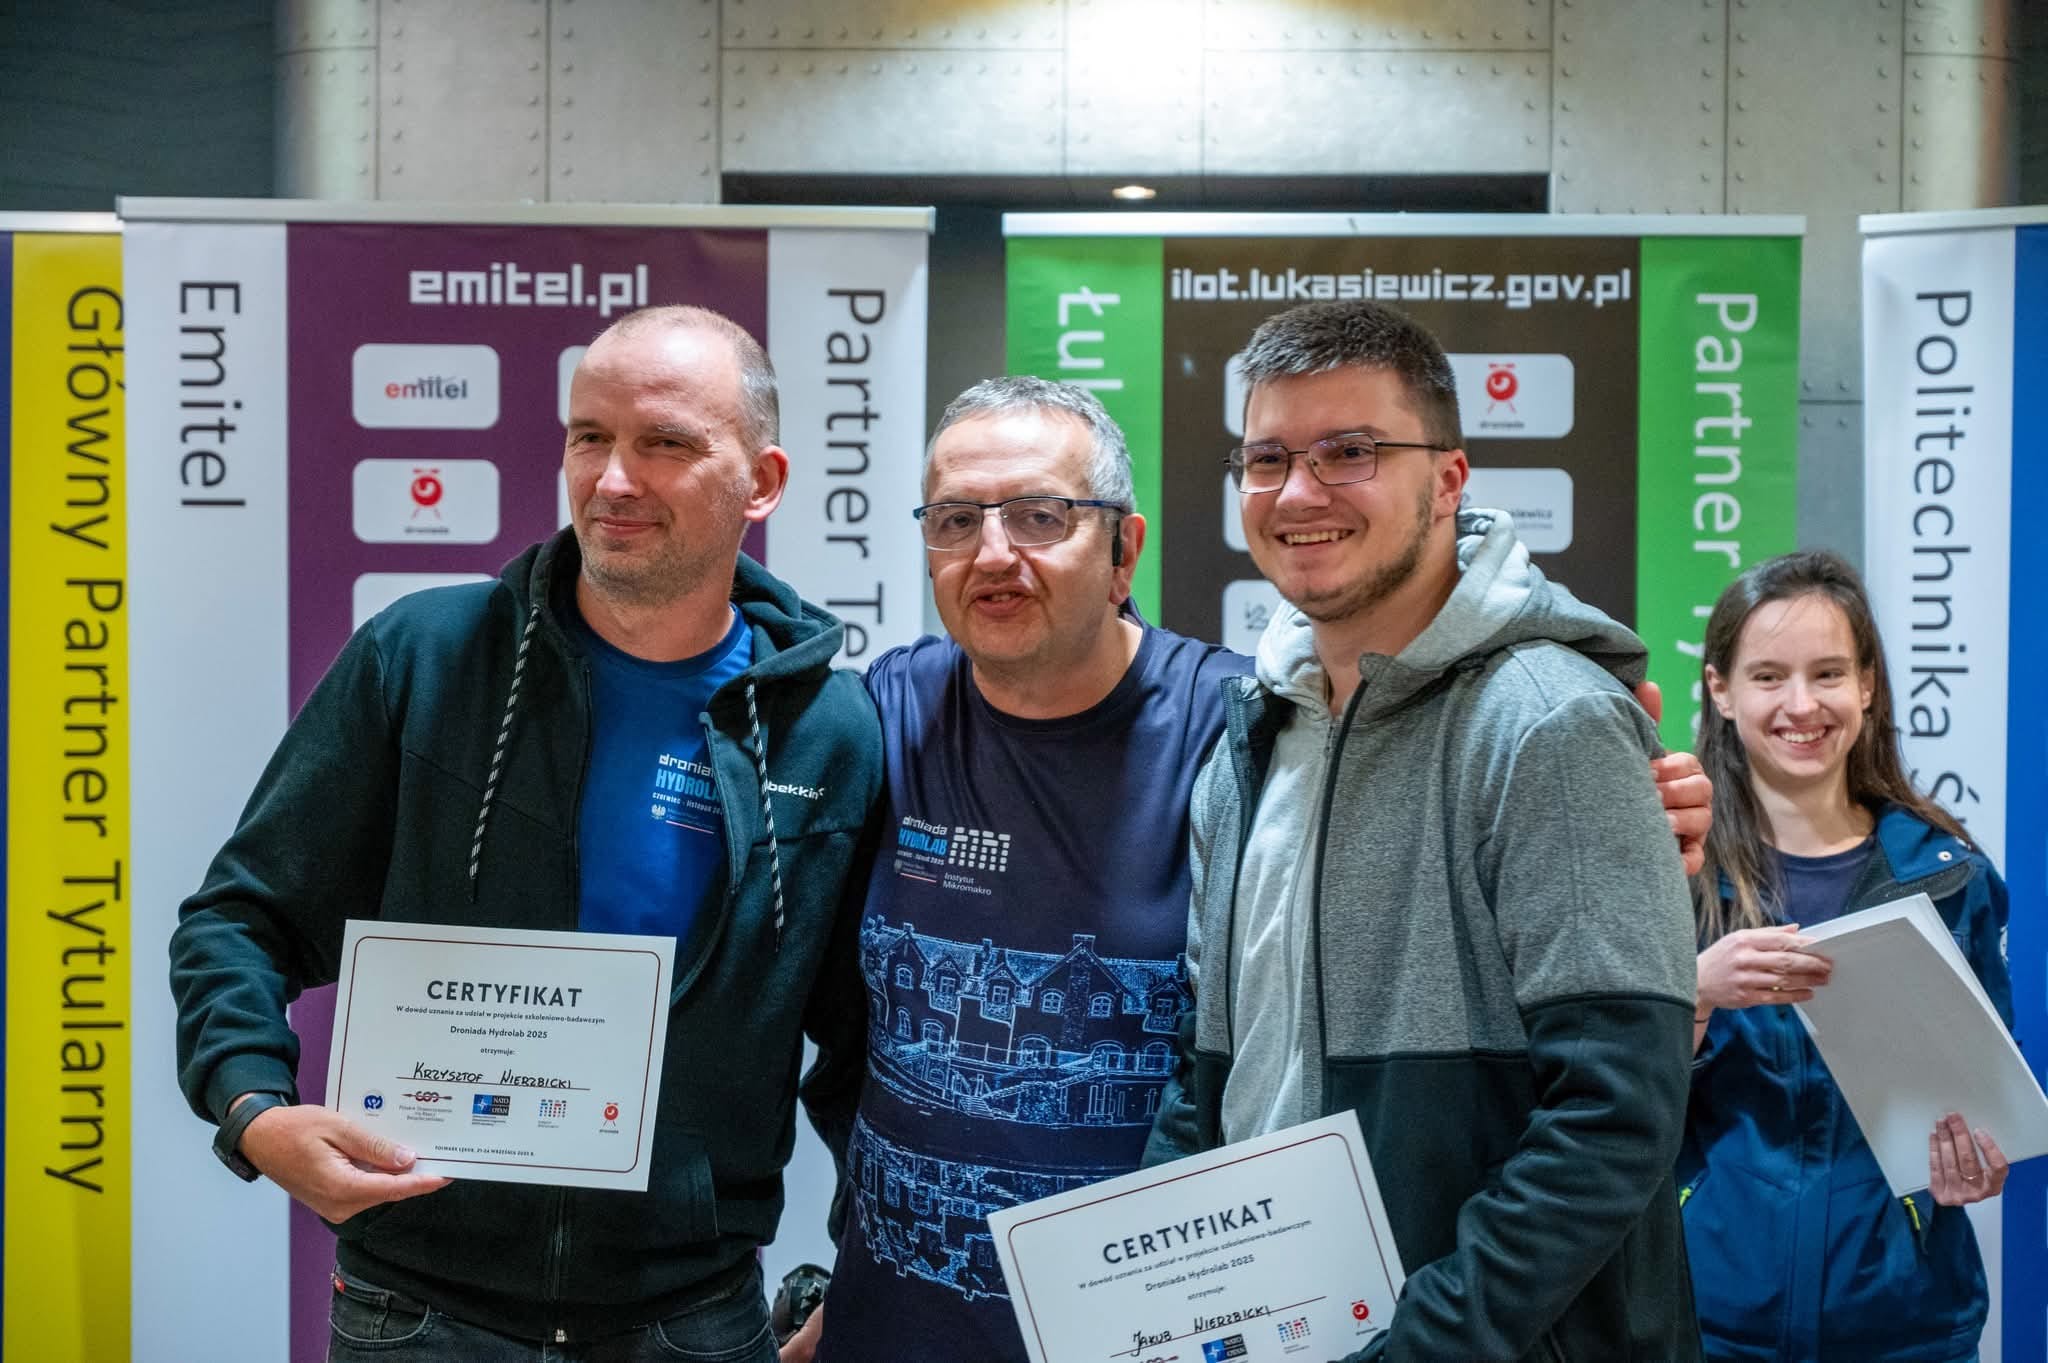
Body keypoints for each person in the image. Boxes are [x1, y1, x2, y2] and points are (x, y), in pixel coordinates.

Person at [788, 375, 1712, 1363]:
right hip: (900, 1321)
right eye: (955, 520)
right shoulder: (885, 714)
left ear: (1124, 549)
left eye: (1040, 516)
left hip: (1166, 1327)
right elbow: (827, 1012)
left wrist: (1627, 818)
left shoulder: (1250, 732)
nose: (992, 552)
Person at [168, 305, 881, 1361]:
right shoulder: (423, 656)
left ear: (762, 482)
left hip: (688, 1314)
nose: (613, 479)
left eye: (665, 442)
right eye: (589, 436)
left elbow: (867, 1046)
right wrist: (252, 1110)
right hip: (420, 1308)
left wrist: (866, 1269)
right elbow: (241, 917)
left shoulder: (828, 731)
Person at [1146, 299, 1704, 1363]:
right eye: (1266, 458)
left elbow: (1613, 1119)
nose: (1297, 492)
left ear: (1448, 481)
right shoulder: (1246, 746)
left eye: (1348, 451)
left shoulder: (1548, 721)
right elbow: (1209, 1072)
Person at [1681, 550, 2011, 1363]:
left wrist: (1973, 1165)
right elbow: (1604, 1103)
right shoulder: (1670, 873)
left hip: (1906, 1324)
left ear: (1866, 684)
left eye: (1828, 673)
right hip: (1707, 1320)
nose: (1802, 705)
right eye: (1769, 676)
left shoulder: (1948, 877)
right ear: (1721, 690)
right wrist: (1694, 991)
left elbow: (1984, 1102)